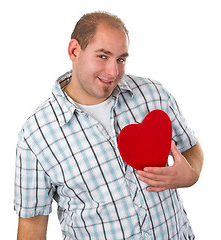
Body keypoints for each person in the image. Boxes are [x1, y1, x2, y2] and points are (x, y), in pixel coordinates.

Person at [14, 11, 204, 240]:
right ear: (74, 50)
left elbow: (191, 148)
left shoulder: (153, 95)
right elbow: (33, 226)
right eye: (102, 56)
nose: (113, 72)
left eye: (121, 59)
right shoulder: (36, 134)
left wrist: (190, 175)